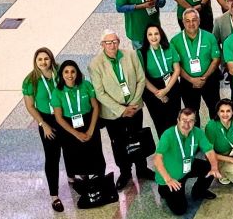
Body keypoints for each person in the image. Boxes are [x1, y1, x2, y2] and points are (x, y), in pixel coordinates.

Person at [90, 30, 154, 189]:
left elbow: (140, 79)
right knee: (118, 142)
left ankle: (142, 168)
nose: (112, 45)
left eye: (115, 41)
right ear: (102, 45)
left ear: (119, 42)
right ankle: (125, 172)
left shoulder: (131, 55)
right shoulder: (95, 65)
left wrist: (133, 103)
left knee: (137, 137)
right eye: (108, 42)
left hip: (134, 107)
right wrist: (121, 110)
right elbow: (100, 92)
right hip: (113, 113)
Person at [50, 59, 107, 190]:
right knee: (74, 152)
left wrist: (91, 130)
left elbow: (95, 107)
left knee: (95, 150)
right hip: (69, 125)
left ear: (77, 73)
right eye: (66, 72)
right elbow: (58, 118)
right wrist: (76, 134)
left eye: (73, 71)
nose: (70, 75)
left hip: (88, 120)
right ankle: (80, 177)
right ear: (61, 74)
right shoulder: (57, 92)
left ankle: (99, 177)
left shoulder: (86, 85)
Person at [153, 108, 221, 215]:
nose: (187, 124)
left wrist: (214, 167)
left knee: (208, 168)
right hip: (172, 177)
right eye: (184, 120)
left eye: (191, 121)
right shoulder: (168, 134)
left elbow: (209, 151)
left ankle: (198, 192)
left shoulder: (197, 132)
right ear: (178, 120)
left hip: (187, 167)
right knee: (180, 210)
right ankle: (163, 190)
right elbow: (157, 159)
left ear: (195, 121)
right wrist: (168, 179)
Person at [23, 48, 66, 211]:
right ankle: (54, 196)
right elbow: (30, 106)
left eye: (46, 59)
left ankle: (74, 178)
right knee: (52, 156)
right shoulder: (30, 81)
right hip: (47, 120)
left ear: (51, 60)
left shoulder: (60, 71)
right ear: (35, 61)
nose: (43, 62)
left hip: (64, 116)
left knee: (70, 150)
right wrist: (43, 124)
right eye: (40, 59)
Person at [139, 24, 183, 136]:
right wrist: (159, 94)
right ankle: (165, 148)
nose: (153, 37)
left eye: (156, 34)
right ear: (146, 37)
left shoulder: (169, 47)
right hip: (152, 88)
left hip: (171, 84)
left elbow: (177, 69)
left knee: (174, 118)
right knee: (160, 121)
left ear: (161, 35)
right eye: (150, 34)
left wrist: (167, 89)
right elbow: (142, 78)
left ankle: (178, 142)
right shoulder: (141, 53)